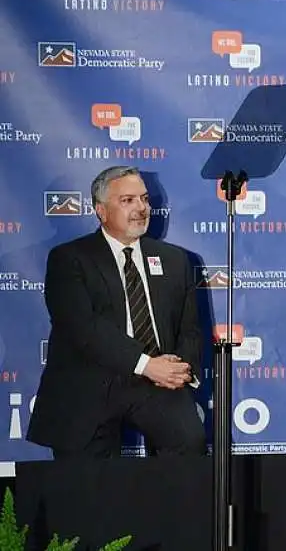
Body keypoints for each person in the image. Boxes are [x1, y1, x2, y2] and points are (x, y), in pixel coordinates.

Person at [27, 165, 207, 458]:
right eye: (128, 200)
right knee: (91, 487)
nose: (141, 208)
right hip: (91, 378)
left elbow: (188, 329)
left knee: (188, 441)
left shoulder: (175, 260)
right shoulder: (69, 259)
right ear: (101, 210)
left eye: (145, 199)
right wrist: (145, 364)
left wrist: (179, 372)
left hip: (156, 380)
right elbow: (82, 327)